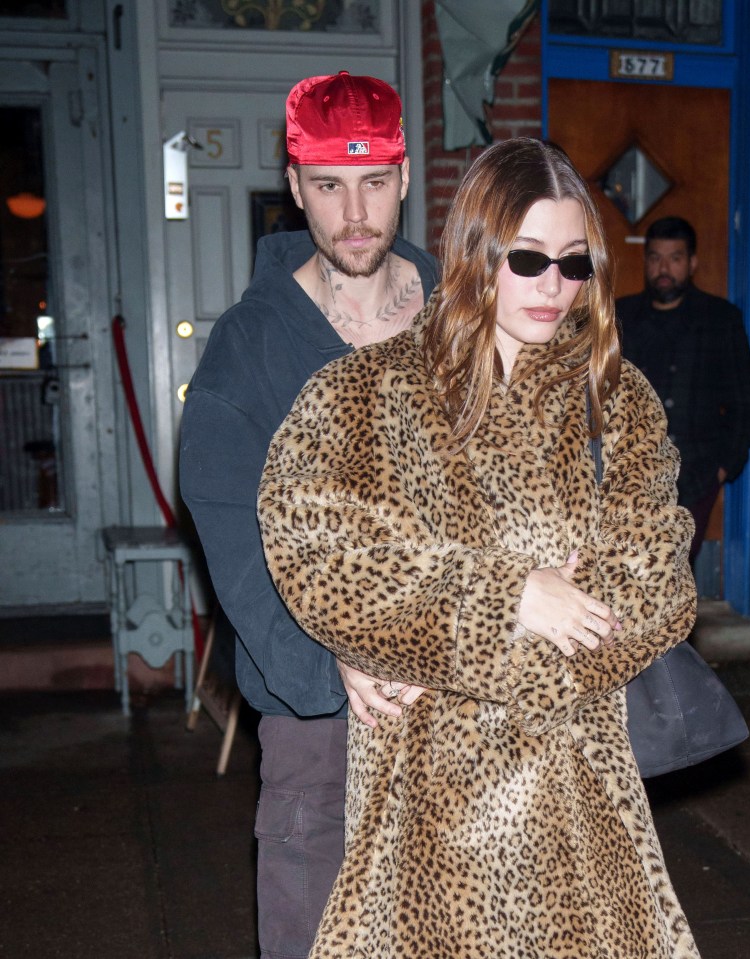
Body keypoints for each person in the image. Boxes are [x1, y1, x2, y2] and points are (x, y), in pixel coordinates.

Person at [258, 138, 700, 958]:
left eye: (574, 265)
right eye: (528, 258)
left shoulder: (617, 398)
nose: (552, 287)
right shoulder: (365, 395)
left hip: (584, 814)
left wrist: (452, 645)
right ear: (478, 251)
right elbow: (324, 561)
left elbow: (657, 582)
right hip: (427, 821)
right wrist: (512, 599)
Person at [178, 71, 438, 959]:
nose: (354, 211)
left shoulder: (466, 318)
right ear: (295, 189)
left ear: (404, 177)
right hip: (319, 715)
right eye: (328, 184)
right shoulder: (249, 345)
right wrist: (324, 661)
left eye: (373, 182)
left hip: (467, 697)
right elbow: (228, 525)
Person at [616, 216, 750, 563]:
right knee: (625, 571)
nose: (663, 268)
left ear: (692, 263)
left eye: (675, 258)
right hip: (628, 473)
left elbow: (744, 400)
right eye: (655, 258)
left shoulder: (721, 319)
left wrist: (724, 467)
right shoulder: (620, 316)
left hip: (696, 473)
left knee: (676, 572)